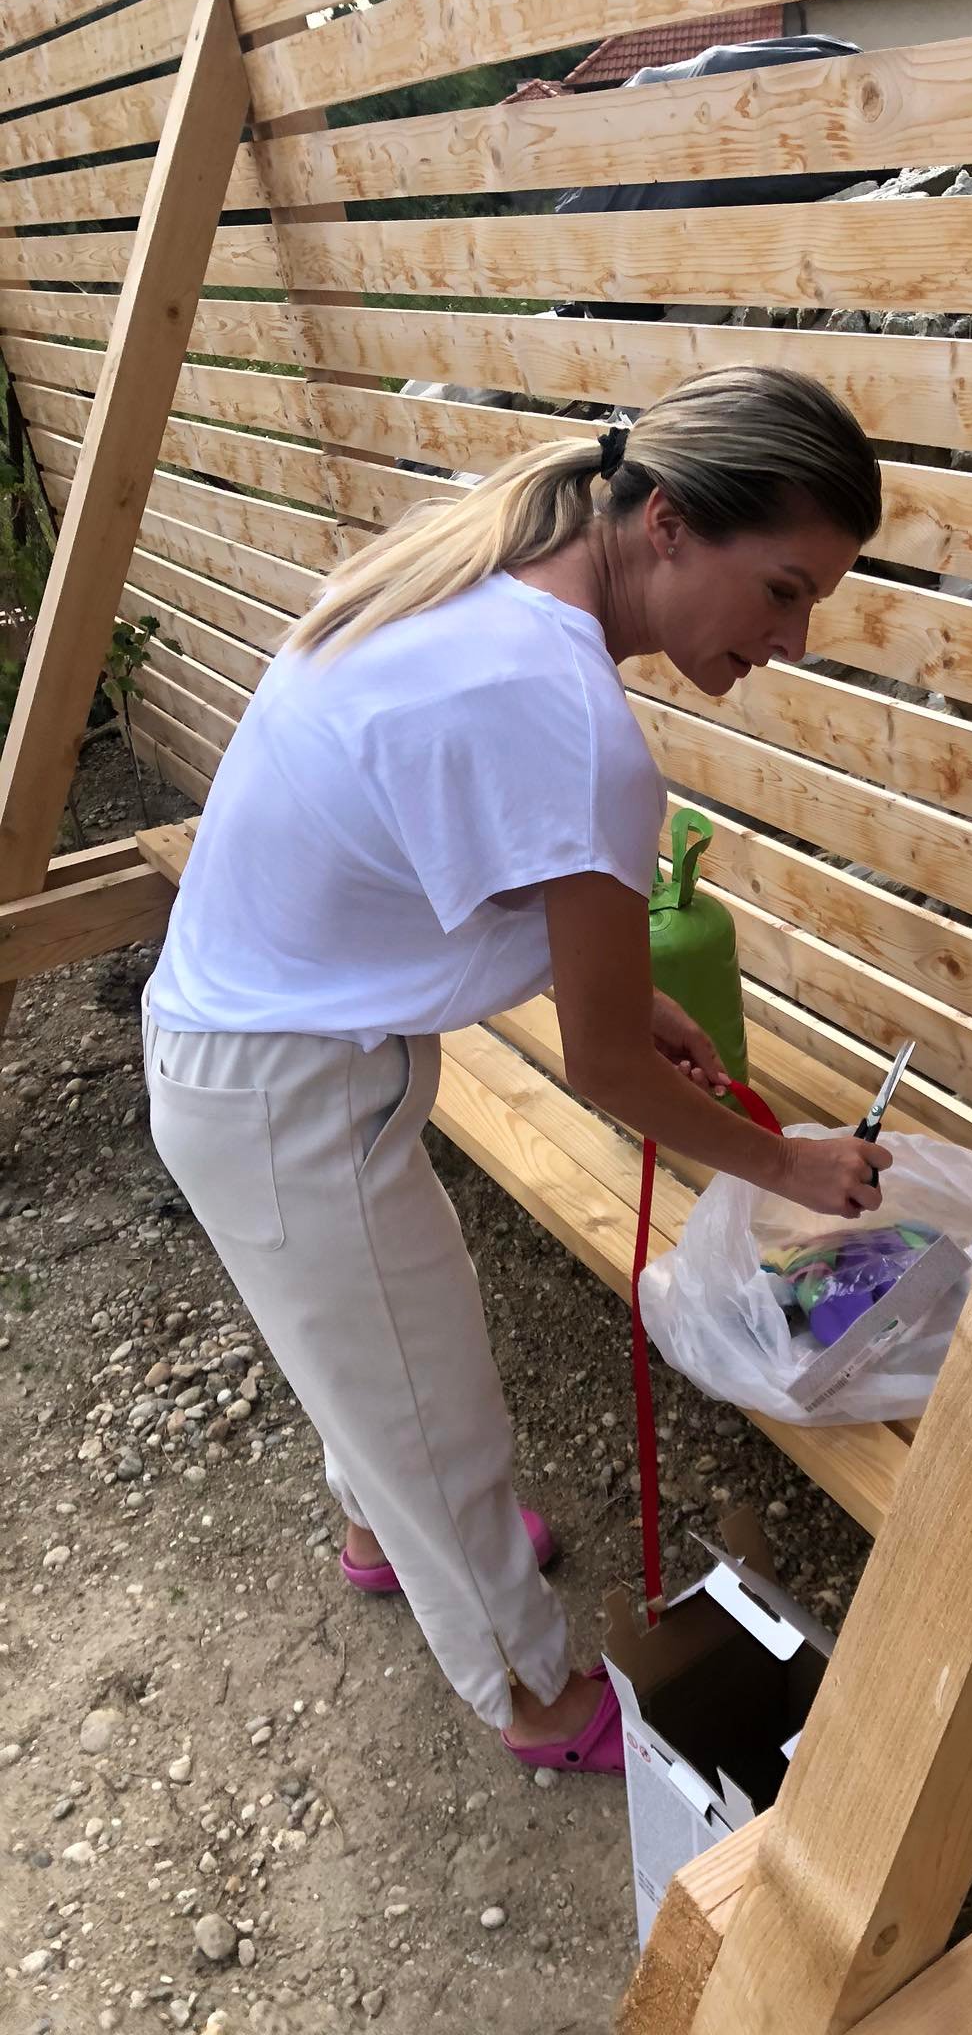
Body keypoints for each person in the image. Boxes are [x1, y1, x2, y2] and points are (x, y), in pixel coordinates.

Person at [141, 366, 891, 1775]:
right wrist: (790, 1163)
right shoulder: (570, 721)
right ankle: (534, 1699)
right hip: (284, 1094)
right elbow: (604, 1069)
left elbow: (457, 851)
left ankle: (382, 1533)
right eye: (784, 589)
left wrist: (622, 988)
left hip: (258, 1054)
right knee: (428, 1406)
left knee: (373, 1338)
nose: (792, 641)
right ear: (668, 524)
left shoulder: (481, 585)